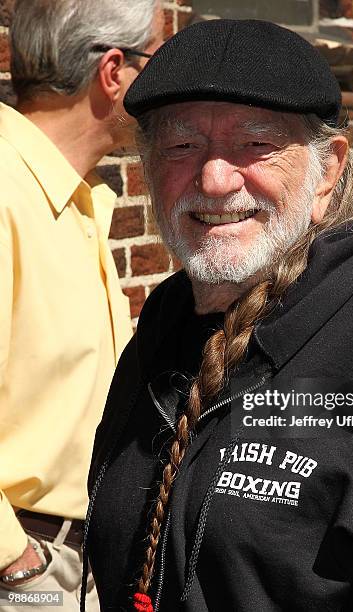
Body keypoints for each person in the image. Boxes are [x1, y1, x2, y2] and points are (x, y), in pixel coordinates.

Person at [84, 19, 353, 612]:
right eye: (181, 146)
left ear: (326, 172)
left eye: (255, 144)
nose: (215, 179)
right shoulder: (157, 342)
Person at [0, 0, 163, 609]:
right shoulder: (6, 193)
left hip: (77, 562)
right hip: (27, 571)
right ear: (114, 71)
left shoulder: (74, 199)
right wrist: (19, 569)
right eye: (157, 61)